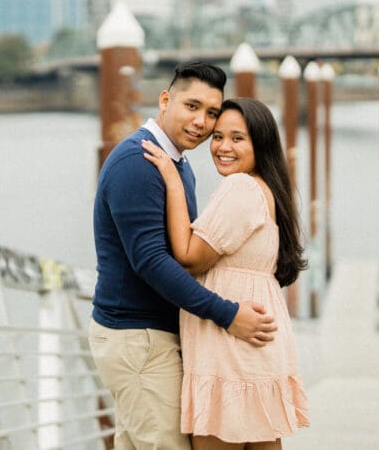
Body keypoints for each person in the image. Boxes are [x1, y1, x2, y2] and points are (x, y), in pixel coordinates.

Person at [90, 62, 279, 450]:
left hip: (156, 337)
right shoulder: (138, 163)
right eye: (192, 106)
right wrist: (227, 314)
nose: (201, 122)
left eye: (211, 112)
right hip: (138, 338)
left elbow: (188, 249)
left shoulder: (176, 163)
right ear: (165, 100)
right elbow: (152, 262)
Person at [141, 97, 310, 448]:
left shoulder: (241, 188)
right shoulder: (266, 189)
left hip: (230, 350)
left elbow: (190, 257)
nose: (223, 147)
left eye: (237, 138)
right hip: (254, 347)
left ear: (259, 143)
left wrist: (173, 182)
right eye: (217, 137)